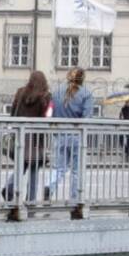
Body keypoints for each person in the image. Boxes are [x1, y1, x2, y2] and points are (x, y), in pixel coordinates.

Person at [48, 66, 98, 200]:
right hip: (77, 136)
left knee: (58, 168)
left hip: (60, 134)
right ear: (82, 79)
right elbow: (87, 118)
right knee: (76, 170)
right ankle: (74, 198)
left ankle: (49, 187)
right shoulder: (86, 94)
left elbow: (51, 113)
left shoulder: (57, 91)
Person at [3, 69, 52, 204]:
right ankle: (31, 199)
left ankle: (9, 187)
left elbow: (13, 114)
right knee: (34, 169)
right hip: (36, 139)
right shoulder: (46, 97)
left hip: (20, 136)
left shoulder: (20, 92)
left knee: (21, 165)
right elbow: (48, 117)